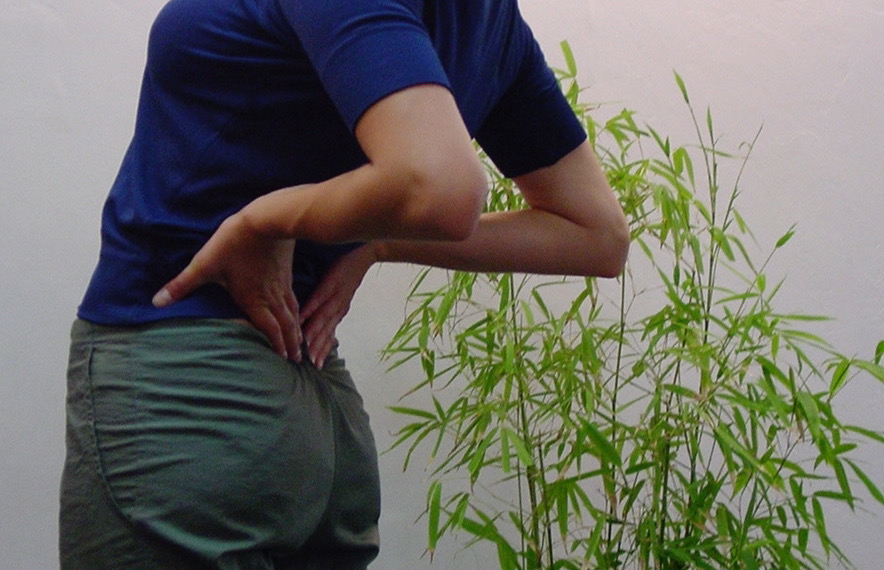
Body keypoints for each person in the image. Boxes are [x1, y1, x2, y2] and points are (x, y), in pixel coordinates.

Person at [60, 0, 630, 568]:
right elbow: (596, 234)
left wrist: (267, 219)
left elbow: (441, 184)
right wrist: (378, 241)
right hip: (317, 423)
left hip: (187, 404)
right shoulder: (490, 22)